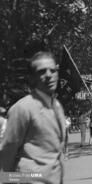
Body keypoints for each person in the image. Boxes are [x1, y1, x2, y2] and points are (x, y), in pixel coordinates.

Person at [0, 51, 66, 184]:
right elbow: (8, 150)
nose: (49, 75)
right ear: (31, 78)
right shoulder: (22, 108)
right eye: (42, 71)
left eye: (52, 70)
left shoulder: (57, 106)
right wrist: (9, 180)